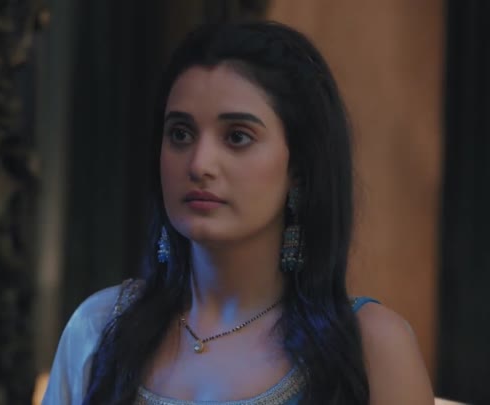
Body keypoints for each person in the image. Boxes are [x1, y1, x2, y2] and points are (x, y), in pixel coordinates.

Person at [43, 21, 434, 404]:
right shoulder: (98, 328)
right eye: (180, 134)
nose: (199, 164)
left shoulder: (373, 348)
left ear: (298, 168)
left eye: (237, 137)